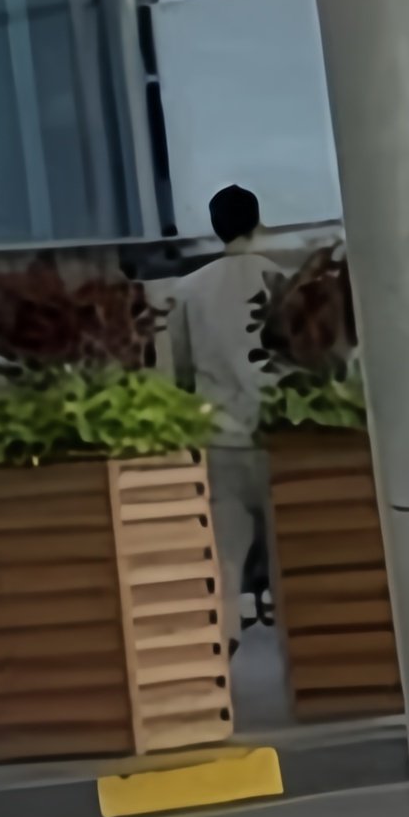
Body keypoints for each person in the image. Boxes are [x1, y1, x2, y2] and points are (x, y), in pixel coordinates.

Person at [166, 188, 278, 624]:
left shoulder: (187, 290)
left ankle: (228, 628)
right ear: (258, 221)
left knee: (226, 552)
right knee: (285, 541)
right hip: (272, 430)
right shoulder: (276, 279)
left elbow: (180, 370)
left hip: (217, 435)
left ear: (215, 228)